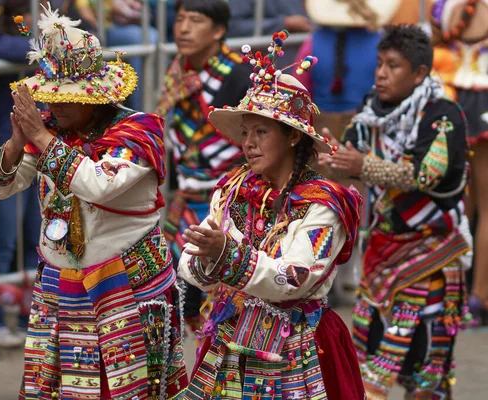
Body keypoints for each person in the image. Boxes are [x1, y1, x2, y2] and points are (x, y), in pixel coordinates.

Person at [0, 5, 188, 399]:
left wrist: (40, 138)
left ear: (97, 98)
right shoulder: (52, 133)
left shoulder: (138, 133)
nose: (54, 105)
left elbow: (97, 184)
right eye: (49, 96)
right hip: (60, 285)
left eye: (66, 97)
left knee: (127, 389)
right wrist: (17, 143)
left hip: (125, 284)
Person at [178, 32, 365, 399]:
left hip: (298, 346)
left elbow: (295, 277)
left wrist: (226, 255)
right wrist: (211, 256)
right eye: (245, 132)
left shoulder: (322, 205)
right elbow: (189, 263)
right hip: (232, 341)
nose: (248, 142)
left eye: (261, 131)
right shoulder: (233, 189)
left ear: (293, 137)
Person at [318, 25, 472, 399]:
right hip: (382, 255)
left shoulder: (443, 115)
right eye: (380, 64)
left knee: (426, 368)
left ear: (419, 73)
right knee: (370, 353)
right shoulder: (373, 107)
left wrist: (361, 165)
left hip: (431, 256)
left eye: (394, 65)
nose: (382, 73)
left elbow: (425, 173)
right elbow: (351, 152)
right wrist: (333, 157)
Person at [155, 0, 252, 334]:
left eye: (195, 21)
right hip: (187, 199)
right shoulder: (179, 70)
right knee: (179, 303)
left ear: (219, 30)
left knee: (221, 305)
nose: (183, 28)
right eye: (180, 19)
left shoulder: (242, 75)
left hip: (231, 203)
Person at [295, 0, 400, 306]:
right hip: (365, 134)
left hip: (319, 135)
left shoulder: (313, 43)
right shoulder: (380, 44)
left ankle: (323, 276)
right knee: (361, 204)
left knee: (321, 205)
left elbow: (300, 92)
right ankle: (357, 276)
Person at [0, 0, 44, 348]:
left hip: (35, 154)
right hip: (0, 153)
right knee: (1, 245)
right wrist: (48, 47)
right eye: (35, 15)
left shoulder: (26, 47)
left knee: (37, 238)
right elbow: (10, 46)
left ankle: (36, 316)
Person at [431, 0, 488, 325]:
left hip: (453, 96)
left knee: (459, 203)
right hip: (481, 97)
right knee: (482, 207)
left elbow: (439, 39)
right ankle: (476, 296)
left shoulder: (444, 5)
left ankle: (454, 296)